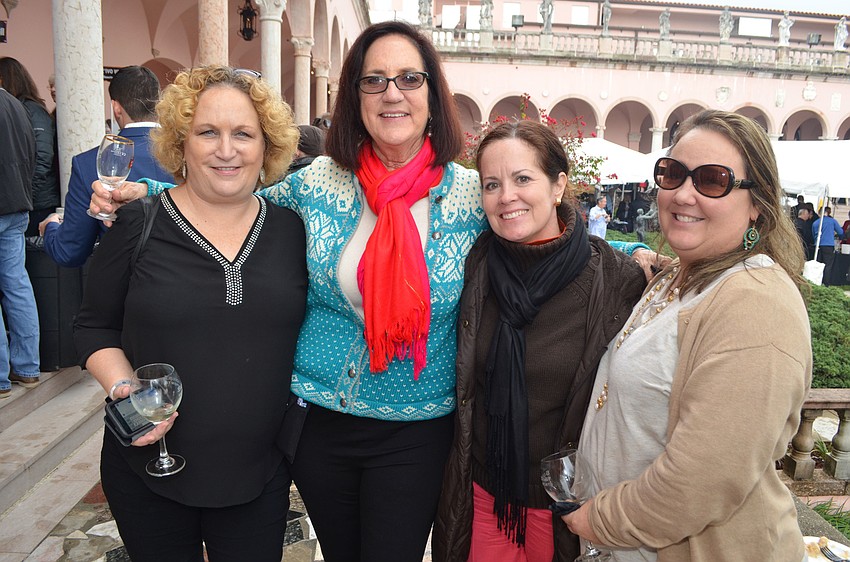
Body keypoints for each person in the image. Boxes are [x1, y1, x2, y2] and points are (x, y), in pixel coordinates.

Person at [92, 21, 490, 562]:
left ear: (432, 94)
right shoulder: (320, 182)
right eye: (373, 80)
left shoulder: (472, 196)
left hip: (416, 428)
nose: (391, 93)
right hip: (319, 423)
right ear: (355, 96)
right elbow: (225, 192)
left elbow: (530, 228)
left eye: (408, 79)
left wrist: (640, 259)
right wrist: (143, 193)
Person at [74, 65, 306, 560]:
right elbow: (93, 325)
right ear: (181, 143)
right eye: (208, 132)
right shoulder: (138, 224)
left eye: (243, 133)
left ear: (267, 147)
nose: (227, 150)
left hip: (259, 475)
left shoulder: (293, 232)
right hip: (150, 471)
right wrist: (124, 390)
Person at [564, 109, 811, 561]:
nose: (683, 194)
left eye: (712, 180)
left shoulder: (756, 304)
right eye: (673, 174)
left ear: (757, 202)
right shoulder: (680, 277)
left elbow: (702, 479)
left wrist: (594, 519)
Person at [433, 121, 650, 561]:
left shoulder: (615, 280)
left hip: (568, 508)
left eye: (523, 179)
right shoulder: (476, 267)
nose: (506, 196)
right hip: (483, 494)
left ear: (558, 186)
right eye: (492, 184)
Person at [39, 66, 173, 267]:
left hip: (124, 286)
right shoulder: (188, 153)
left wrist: (50, 227)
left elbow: (70, 251)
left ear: (116, 108)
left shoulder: (88, 162)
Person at [0, 85, 40, 398]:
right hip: (18, 204)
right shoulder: (16, 104)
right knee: (17, 285)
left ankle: (1, 376)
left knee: (15, 285)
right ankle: (27, 367)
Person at [0, 57, 59, 237]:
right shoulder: (21, 108)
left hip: (37, 202)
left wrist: (25, 193)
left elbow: (43, 156)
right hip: (26, 200)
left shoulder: (31, 110)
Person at [813, 205, 844, 286]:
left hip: (818, 245)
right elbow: (840, 232)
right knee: (828, 265)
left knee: (818, 264)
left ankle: (817, 282)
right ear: (827, 213)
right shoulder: (832, 221)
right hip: (829, 245)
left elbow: (813, 235)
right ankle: (826, 283)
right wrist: (840, 238)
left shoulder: (815, 223)